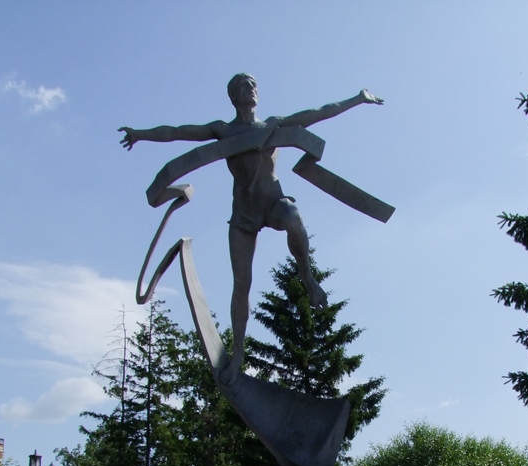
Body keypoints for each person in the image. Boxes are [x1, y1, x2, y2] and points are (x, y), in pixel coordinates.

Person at [119, 75, 384, 381]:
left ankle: (307, 278)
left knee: (293, 219)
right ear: (234, 97)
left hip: (273, 202)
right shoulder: (223, 130)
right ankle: (238, 355)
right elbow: (178, 132)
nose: (251, 90)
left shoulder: (273, 125)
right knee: (241, 283)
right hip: (243, 214)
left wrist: (357, 99)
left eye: (254, 86)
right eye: (244, 87)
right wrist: (139, 134)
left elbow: (319, 112)